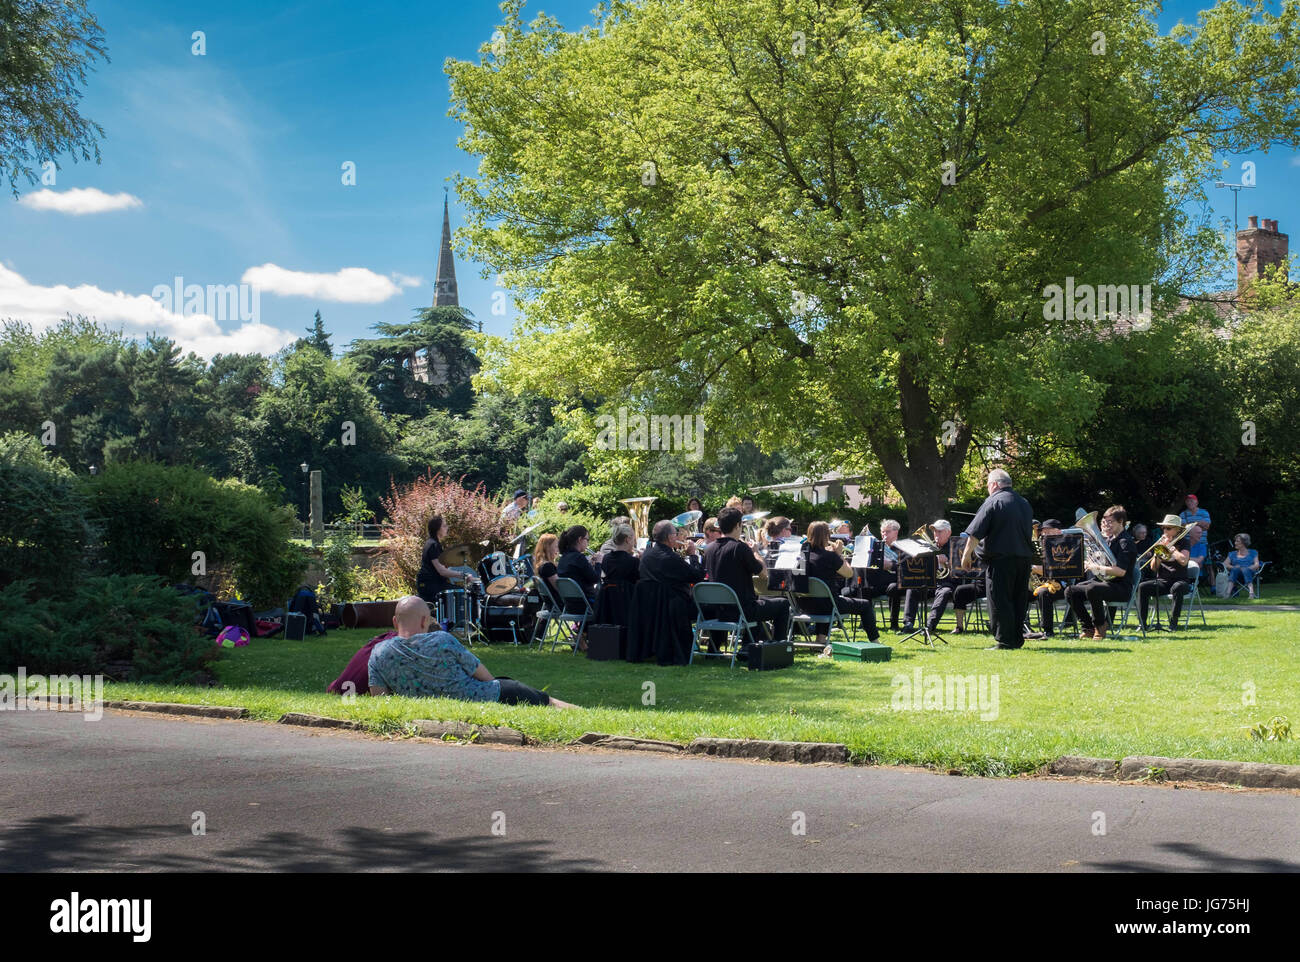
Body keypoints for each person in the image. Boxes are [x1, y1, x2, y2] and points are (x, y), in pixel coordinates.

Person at [369, 596, 577, 708]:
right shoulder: (442, 640)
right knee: (543, 700)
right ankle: (579, 713)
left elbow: (382, 700)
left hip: (440, 703)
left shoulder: (378, 654)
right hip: (484, 696)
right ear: (425, 620)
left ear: (395, 621)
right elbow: (485, 676)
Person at [962, 468, 1034, 650]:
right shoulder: (1024, 503)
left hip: (1001, 560)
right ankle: (1017, 639)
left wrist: (966, 555)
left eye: (987, 485)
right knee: (1018, 600)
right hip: (1024, 559)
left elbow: (975, 532)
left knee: (999, 599)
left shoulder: (993, 501)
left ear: (994, 484)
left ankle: (1004, 640)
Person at [704, 506, 790, 642]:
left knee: (757, 601)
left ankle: (745, 647)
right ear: (738, 525)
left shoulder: (709, 549)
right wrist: (755, 552)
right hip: (742, 610)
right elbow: (763, 574)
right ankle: (778, 646)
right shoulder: (740, 548)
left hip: (719, 610)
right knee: (783, 604)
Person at [628, 519, 703, 664]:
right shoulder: (670, 557)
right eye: (676, 534)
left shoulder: (647, 556)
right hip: (671, 608)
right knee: (707, 607)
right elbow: (696, 575)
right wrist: (693, 555)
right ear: (669, 537)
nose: (677, 537)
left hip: (650, 608)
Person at [1063, 505, 1137, 641]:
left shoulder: (1125, 542)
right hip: (1106, 582)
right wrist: (1090, 562)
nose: (1106, 525)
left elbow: (1120, 572)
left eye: (1110, 522)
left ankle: (1100, 626)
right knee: (1070, 591)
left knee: (1092, 588)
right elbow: (1103, 563)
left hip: (1121, 587)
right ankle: (1088, 627)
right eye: (1105, 521)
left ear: (1121, 522)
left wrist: (1095, 567)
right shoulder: (1110, 540)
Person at [802, 521, 880, 650]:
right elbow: (849, 573)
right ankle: (875, 642)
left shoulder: (803, 555)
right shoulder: (830, 556)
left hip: (805, 605)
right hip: (827, 605)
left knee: (827, 598)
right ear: (826, 536)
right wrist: (838, 555)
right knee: (865, 604)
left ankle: (820, 640)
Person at [1137, 515, 1192, 630]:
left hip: (1180, 581)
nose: (1165, 531)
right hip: (1163, 581)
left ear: (1177, 530)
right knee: (1143, 587)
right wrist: (1157, 554)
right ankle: (1142, 623)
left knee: (1178, 587)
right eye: (1164, 528)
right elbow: (1154, 568)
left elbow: (1183, 561)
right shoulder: (1160, 543)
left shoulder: (1184, 542)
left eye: (1168, 528)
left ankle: (1173, 623)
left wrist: (1171, 548)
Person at [416, 516, 472, 610]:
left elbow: (441, 569)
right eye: (444, 526)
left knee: (460, 591)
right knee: (461, 593)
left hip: (433, 583)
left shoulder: (434, 543)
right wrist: (464, 576)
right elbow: (442, 571)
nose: (447, 528)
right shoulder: (433, 545)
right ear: (437, 529)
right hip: (429, 585)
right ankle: (453, 621)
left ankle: (450, 620)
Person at [914, 520, 960, 634]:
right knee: (912, 588)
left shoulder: (956, 546)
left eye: (939, 532)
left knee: (944, 592)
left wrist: (948, 562)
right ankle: (908, 624)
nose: (936, 534)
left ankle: (929, 626)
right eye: (935, 532)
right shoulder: (928, 546)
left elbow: (962, 570)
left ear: (948, 533)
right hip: (930, 582)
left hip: (947, 583)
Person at [595, 523, 639, 626]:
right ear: (628, 539)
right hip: (627, 603)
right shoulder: (633, 562)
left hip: (607, 604)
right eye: (633, 540)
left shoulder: (606, 559)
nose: (633, 543)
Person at [556, 525, 599, 611]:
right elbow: (595, 579)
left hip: (570, 605)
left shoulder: (564, 557)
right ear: (580, 539)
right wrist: (599, 563)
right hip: (586, 604)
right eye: (587, 539)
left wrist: (589, 565)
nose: (588, 543)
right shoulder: (578, 557)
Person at [1223, 533, 1262, 599]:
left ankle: (1251, 593)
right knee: (1235, 569)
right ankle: (1227, 594)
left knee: (1245, 570)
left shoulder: (1253, 552)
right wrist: (1234, 567)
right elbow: (1225, 564)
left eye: (1237, 541)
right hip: (1236, 573)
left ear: (1244, 543)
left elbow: (1256, 564)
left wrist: (1247, 568)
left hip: (1249, 572)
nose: (1235, 543)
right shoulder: (1232, 554)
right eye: (1235, 541)